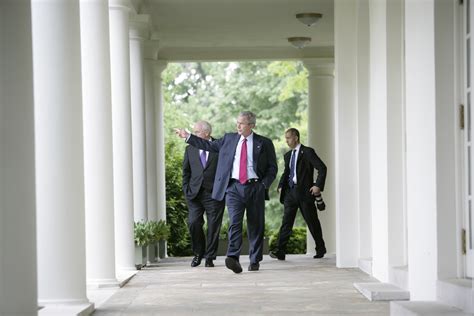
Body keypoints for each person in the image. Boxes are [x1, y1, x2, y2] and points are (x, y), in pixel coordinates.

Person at [175, 111, 277, 273]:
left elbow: (272, 168)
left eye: (242, 123)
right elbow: (208, 145)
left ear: (251, 125)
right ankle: (233, 257)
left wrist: (263, 185)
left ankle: (254, 259)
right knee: (234, 223)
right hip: (234, 188)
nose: (238, 126)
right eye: (237, 122)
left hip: (254, 187)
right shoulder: (229, 139)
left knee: (255, 225)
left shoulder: (263, 143)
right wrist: (188, 136)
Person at [270, 128, 327, 260]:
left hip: (305, 193)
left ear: (296, 137)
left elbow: (322, 168)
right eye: (286, 138)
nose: (287, 141)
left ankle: (320, 248)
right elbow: (287, 173)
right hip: (290, 193)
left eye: (288, 138)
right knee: (286, 222)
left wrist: (317, 185)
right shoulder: (288, 156)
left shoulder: (307, 152)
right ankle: (280, 251)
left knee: (312, 222)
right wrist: (280, 186)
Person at [182, 121, 225, 268]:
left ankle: (210, 257)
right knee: (194, 223)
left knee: (213, 226)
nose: (194, 135)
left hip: (214, 194)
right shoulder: (190, 149)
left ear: (206, 133)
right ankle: (198, 253)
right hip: (194, 194)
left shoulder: (220, 147)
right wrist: (186, 190)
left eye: (196, 132)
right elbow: (186, 172)